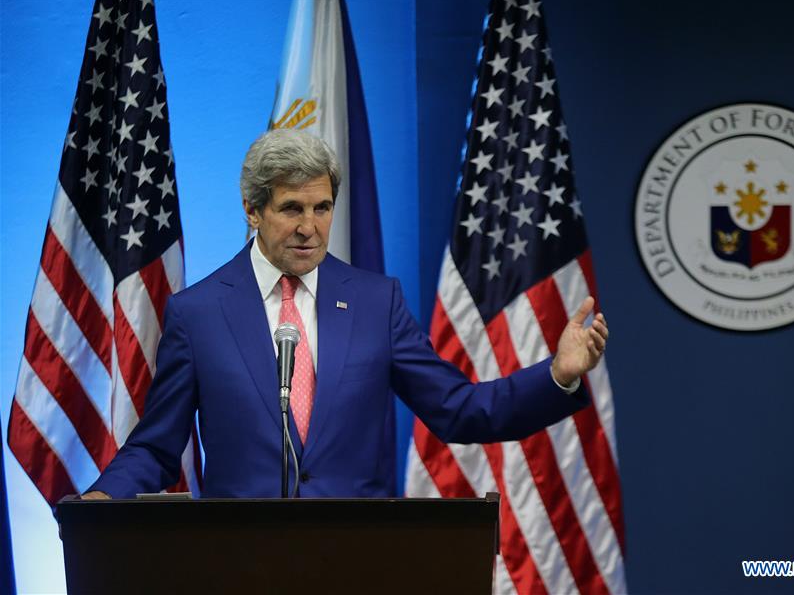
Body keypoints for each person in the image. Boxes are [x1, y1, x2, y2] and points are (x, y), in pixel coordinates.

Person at [84, 129, 608, 499]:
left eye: (322, 208)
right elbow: (157, 446)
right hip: (240, 562)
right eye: (291, 209)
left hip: (357, 558)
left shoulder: (376, 302)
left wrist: (557, 376)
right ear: (252, 210)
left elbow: (459, 409)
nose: (309, 227)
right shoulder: (197, 312)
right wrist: (104, 499)